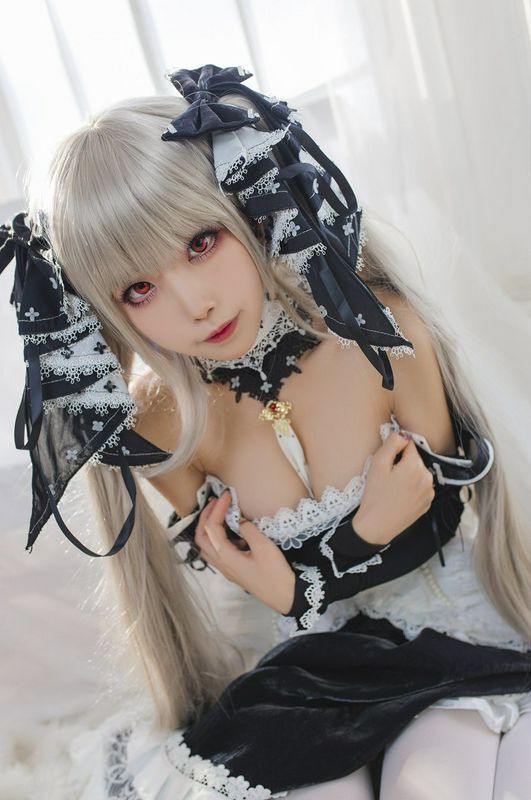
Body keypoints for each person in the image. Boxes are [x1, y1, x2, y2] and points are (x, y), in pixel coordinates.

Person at [2, 65, 530, 799]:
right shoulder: (157, 425)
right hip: (314, 672)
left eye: (200, 242)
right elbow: (265, 587)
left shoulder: (375, 331)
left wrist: (319, 570)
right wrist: (335, 558)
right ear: (104, 312)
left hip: (451, 636)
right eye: (139, 289)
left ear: (245, 208)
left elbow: (436, 509)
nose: (195, 302)